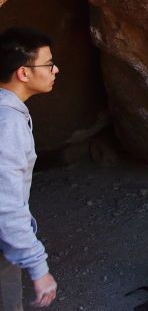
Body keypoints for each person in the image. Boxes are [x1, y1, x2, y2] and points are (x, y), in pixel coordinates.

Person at [0, 28, 60, 309]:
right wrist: (39, 269)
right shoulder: (8, 125)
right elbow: (6, 205)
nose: (55, 69)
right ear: (23, 73)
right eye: (48, 64)